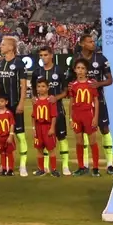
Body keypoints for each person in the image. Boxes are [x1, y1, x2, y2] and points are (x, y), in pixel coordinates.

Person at [72, 33, 113, 174]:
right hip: (81, 105)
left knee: (104, 129)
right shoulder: (75, 59)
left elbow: (110, 80)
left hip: (98, 100)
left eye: (93, 41)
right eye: (90, 42)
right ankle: (84, 166)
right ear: (82, 44)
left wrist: (98, 84)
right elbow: (70, 79)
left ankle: (110, 165)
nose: (93, 43)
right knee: (82, 134)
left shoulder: (101, 58)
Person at [0, 36, 31, 177]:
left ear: (11, 47)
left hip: (15, 104)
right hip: (2, 106)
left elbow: (23, 85)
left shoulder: (19, 63)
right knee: (2, 136)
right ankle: (4, 165)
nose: (0, 46)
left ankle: (22, 166)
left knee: (20, 135)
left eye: (3, 44)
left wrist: (22, 102)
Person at [32, 47, 71, 176]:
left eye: (46, 55)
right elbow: (33, 89)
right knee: (44, 142)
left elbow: (65, 91)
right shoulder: (37, 71)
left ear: (51, 55)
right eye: (41, 55)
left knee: (61, 137)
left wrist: (56, 98)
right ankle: (45, 167)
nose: (43, 57)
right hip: (42, 113)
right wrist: (33, 98)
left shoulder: (59, 70)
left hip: (57, 109)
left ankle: (65, 165)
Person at [68, 61, 102, 176]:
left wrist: (96, 117)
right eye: (78, 68)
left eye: (83, 68)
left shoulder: (91, 84)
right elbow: (71, 102)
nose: (80, 70)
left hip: (88, 115)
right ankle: (81, 166)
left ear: (86, 70)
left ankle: (96, 168)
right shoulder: (73, 85)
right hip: (77, 116)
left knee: (92, 142)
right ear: (75, 70)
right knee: (79, 142)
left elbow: (96, 101)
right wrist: (70, 119)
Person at [31, 79, 60, 176]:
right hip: (38, 127)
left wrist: (52, 128)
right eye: (39, 86)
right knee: (39, 149)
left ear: (47, 88)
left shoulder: (50, 100)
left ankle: (54, 170)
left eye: (43, 86)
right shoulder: (35, 101)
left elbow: (54, 116)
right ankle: (41, 169)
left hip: (47, 127)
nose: (41, 88)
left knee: (51, 149)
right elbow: (33, 116)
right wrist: (33, 129)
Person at [0, 96, 16, 176]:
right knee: (2, 153)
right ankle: (4, 168)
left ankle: (11, 169)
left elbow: (12, 124)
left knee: (9, 153)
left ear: (6, 102)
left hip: (7, 136)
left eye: (2, 101)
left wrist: (11, 135)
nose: (0, 103)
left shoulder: (9, 113)